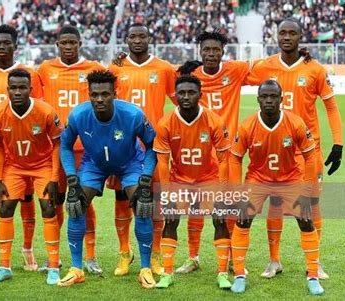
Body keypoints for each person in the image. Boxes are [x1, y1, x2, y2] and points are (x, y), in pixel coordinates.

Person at [246, 17, 342, 279]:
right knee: (275, 203)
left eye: (292, 33)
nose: (286, 37)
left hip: (308, 151)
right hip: (276, 151)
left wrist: (338, 143)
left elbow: (331, 107)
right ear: (276, 36)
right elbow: (232, 72)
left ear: (301, 37)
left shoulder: (315, 69)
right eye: (282, 33)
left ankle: (315, 262)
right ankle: (274, 261)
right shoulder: (265, 66)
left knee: (311, 205)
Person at [58, 70, 157, 288]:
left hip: (130, 163)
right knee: (75, 204)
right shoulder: (77, 115)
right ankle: (76, 269)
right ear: (89, 94)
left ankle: (146, 268)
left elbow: (152, 145)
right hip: (93, 164)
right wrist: (72, 178)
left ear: (115, 93)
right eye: (94, 95)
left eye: (105, 94)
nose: (99, 99)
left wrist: (146, 177)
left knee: (143, 205)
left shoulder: (133, 114)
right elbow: (64, 145)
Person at [229, 80, 323, 295]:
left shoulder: (295, 122)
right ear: (258, 99)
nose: (269, 100)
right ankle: (240, 275)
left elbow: (310, 156)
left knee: (306, 221)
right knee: (243, 219)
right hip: (258, 180)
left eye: (273, 96)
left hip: (290, 179)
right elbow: (235, 158)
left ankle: (313, 276)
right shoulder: (247, 125)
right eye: (264, 97)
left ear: (281, 99)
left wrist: (307, 192)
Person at [176, 30, 252, 274]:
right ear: (200, 51)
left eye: (215, 49)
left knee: (228, 207)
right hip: (197, 152)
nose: (211, 53)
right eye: (206, 49)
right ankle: (193, 257)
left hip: (227, 153)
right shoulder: (191, 76)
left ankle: (230, 257)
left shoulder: (236, 70)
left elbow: (264, 68)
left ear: (223, 52)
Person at [108, 23, 176, 276]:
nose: (137, 40)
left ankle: (156, 253)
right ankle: (125, 252)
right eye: (132, 36)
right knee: (122, 200)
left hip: (154, 146)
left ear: (150, 38)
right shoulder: (116, 68)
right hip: (122, 145)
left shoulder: (164, 68)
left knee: (153, 201)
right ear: (126, 39)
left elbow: (180, 99)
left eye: (142, 36)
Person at [37, 24, 105, 274]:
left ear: (79, 43)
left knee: (85, 202)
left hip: (86, 148)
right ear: (57, 45)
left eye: (72, 43)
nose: (68, 47)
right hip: (55, 147)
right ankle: (54, 257)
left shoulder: (94, 68)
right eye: (63, 43)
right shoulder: (45, 69)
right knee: (56, 201)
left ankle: (90, 257)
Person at [153, 75, 232, 289]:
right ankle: (167, 274)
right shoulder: (166, 123)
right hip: (179, 179)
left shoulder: (214, 120)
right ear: (175, 95)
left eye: (191, 93)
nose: (186, 97)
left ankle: (223, 273)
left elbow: (224, 160)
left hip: (209, 178)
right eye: (181, 93)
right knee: (170, 219)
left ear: (200, 95)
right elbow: (162, 162)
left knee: (220, 219)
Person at [0, 24, 43, 271]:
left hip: (24, 149)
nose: (2, 47)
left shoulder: (30, 74)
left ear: (16, 45)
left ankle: (27, 249)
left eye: (7, 43)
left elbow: (39, 108)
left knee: (26, 198)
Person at [0, 69, 63, 285]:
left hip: (43, 166)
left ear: (30, 89)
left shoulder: (46, 111)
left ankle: (54, 266)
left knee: (49, 207)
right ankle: (4, 267)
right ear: (7, 90)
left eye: (22, 88)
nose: (18, 92)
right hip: (14, 166)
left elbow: (57, 144)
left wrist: (54, 178)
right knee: (5, 207)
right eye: (14, 88)